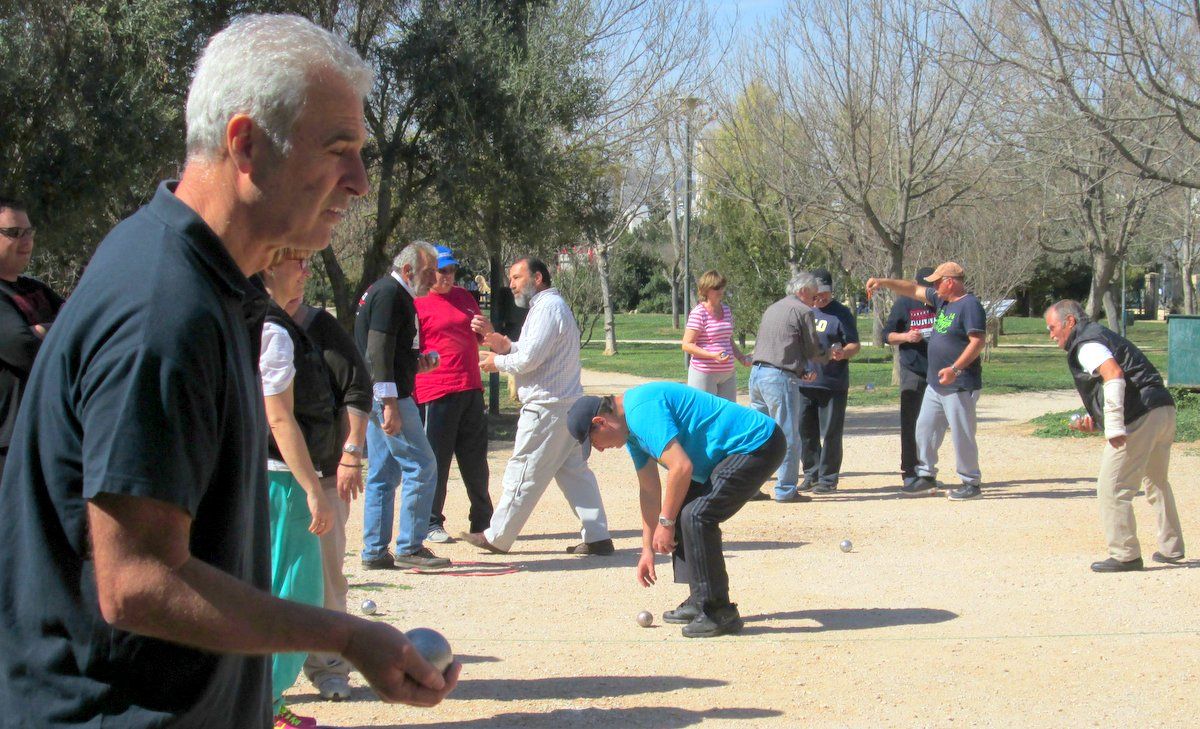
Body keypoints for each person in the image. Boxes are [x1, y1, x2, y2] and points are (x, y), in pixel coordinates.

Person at [0, 16, 458, 727]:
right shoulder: (163, 308)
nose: (361, 182)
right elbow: (137, 581)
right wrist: (344, 632)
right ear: (245, 145)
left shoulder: (208, 286)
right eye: (339, 150)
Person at [567, 383, 786, 638]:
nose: (600, 450)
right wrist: (647, 548)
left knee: (696, 515)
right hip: (731, 453)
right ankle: (700, 599)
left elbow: (681, 467)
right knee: (681, 508)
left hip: (757, 444)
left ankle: (719, 612)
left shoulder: (640, 412)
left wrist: (666, 523)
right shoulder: (631, 432)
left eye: (594, 442)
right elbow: (649, 491)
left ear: (600, 421)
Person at [462, 257, 613, 555]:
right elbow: (534, 351)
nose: (512, 284)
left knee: (524, 469)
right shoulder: (548, 308)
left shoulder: (547, 308)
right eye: (511, 278)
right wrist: (505, 346)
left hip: (547, 407)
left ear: (538, 278)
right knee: (574, 472)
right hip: (563, 405)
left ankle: (498, 536)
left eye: (517, 277)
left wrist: (498, 362)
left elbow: (530, 359)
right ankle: (597, 536)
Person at [1045, 300, 1185, 573]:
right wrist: (1099, 423)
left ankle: (1125, 554)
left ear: (1070, 322)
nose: (1051, 335)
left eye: (1052, 328)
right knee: (1156, 482)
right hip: (1162, 408)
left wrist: (1113, 427)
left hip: (1139, 414)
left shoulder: (1085, 344)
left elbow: (1114, 376)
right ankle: (1172, 548)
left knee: (1111, 487)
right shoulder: (1100, 334)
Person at [259, 248, 339, 726]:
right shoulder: (271, 330)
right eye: (298, 261)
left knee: (279, 589)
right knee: (296, 594)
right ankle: (264, 704)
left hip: (265, 477)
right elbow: (279, 416)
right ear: (270, 265)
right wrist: (311, 486)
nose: (307, 271)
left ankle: (264, 702)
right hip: (280, 480)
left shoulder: (258, 321)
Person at [292, 291, 371, 702]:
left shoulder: (320, 327)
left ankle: (328, 666)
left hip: (322, 472)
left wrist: (351, 453)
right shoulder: (241, 318)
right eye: (293, 260)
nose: (303, 271)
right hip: (259, 474)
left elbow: (357, 388)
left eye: (307, 262)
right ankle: (257, 678)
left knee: (326, 575)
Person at [355, 241, 450, 569]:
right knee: (422, 465)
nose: (433, 278)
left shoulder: (391, 295)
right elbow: (377, 350)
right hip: (390, 398)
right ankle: (410, 547)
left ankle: (374, 551)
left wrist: (415, 364)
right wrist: (390, 402)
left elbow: (389, 352)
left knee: (383, 473)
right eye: (428, 272)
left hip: (383, 393)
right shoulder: (390, 295)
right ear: (408, 270)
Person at [866, 261, 986, 501]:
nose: (932, 287)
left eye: (937, 282)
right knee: (924, 428)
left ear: (949, 282)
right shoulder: (943, 301)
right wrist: (883, 282)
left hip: (959, 382)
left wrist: (955, 368)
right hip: (936, 383)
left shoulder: (969, 305)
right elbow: (912, 289)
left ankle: (971, 482)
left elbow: (977, 342)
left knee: (962, 434)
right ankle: (926, 475)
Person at [414, 244, 492, 544]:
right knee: (437, 460)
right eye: (440, 271)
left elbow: (483, 337)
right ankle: (431, 521)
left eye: (451, 270)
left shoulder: (465, 298)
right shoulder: (418, 302)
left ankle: (482, 521)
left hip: (470, 386)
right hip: (436, 390)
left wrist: (486, 327)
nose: (447, 276)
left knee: (475, 460)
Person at [747, 272, 827, 502]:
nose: (815, 300)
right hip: (779, 379)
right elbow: (812, 349)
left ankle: (750, 487)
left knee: (759, 434)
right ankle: (785, 489)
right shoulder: (803, 311)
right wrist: (828, 354)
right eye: (813, 295)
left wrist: (801, 369)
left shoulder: (772, 308)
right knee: (788, 435)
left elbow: (780, 345)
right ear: (803, 292)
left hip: (757, 375)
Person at [0, 196, 64, 476]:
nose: (25, 241)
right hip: (8, 445)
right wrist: (59, 328)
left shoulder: (35, 289)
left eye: (28, 232)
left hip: (50, 437)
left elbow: (81, 325)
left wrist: (40, 330)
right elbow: (26, 350)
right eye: (14, 233)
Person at [797, 268, 861, 495]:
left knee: (831, 432)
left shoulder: (841, 313)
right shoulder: (803, 310)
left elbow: (855, 344)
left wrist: (843, 352)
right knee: (806, 432)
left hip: (832, 382)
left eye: (826, 293)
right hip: (805, 382)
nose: (821, 297)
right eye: (818, 292)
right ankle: (811, 474)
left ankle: (828, 478)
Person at [884, 267, 937, 487]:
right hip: (913, 369)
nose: (928, 291)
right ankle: (909, 471)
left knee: (933, 424)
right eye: (923, 287)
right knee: (911, 421)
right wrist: (906, 336)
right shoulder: (904, 304)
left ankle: (927, 471)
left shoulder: (943, 304)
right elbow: (886, 335)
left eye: (932, 287)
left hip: (938, 370)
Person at [682, 269, 752, 401]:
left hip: (728, 373)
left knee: (728, 414)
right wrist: (712, 355)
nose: (720, 291)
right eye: (716, 288)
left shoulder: (726, 309)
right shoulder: (699, 313)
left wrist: (740, 357)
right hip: (704, 372)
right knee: (703, 414)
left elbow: (728, 338)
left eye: (722, 287)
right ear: (705, 290)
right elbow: (687, 345)